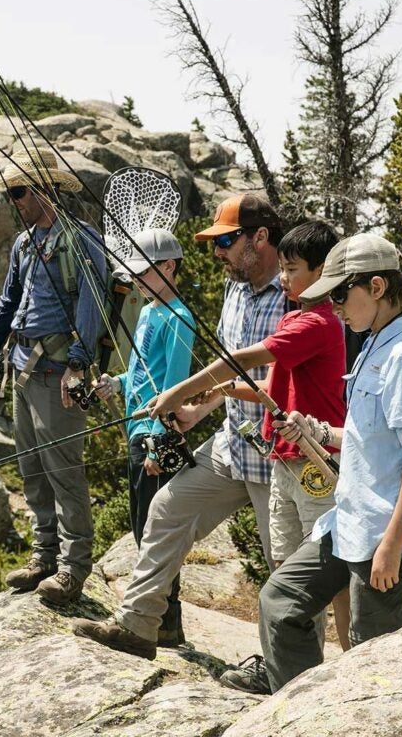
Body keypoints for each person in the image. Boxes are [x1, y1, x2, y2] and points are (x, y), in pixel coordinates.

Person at [73, 192, 285, 659]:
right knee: (165, 512)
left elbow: (279, 385)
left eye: (225, 241)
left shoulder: (294, 297)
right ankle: (139, 625)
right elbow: (225, 368)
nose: (217, 253)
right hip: (232, 446)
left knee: (284, 565)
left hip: (277, 456)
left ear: (260, 238)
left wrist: (187, 399)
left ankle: (283, 670)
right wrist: (198, 409)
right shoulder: (234, 291)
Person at [141, 220, 350, 691]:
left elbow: (247, 358)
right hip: (283, 460)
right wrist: (203, 400)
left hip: (315, 464)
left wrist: (179, 390)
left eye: (293, 270)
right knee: (286, 570)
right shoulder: (294, 319)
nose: (283, 278)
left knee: (328, 571)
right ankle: (291, 673)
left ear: (323, 273)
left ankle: (351, 666)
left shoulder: (318, 323)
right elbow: (266, 387)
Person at [258, 232, 402, 692]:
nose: (335, 306)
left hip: (381, 537)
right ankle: (302, 714)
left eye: (341, 293)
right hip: (346, 524)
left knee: (371, 660)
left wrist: (392, 546)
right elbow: (369, 439)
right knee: (280, 602)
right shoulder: (373, 347)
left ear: (378, 288)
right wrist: (319, 432)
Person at [0, 149, 107, 605]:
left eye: (19, 192)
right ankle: (43, 556)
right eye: (9, 194)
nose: (13, 201)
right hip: (21, 369)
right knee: (31, 468)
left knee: (64, 470)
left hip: (58, 369)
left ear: (45, 189)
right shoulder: (24, 245)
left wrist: (80, 363)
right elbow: (7, 304)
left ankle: (72, 567)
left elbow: (92, 301)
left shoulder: (80, 239)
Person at [95, 228, 196, 646]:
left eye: (145, 271)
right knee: (142, 528)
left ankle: (164, 621)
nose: (136, 280)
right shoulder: (151, 311)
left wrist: (160, 438)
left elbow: (175, 383)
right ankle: (165, 620)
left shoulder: (179, 318)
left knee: (155, 533)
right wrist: (117, 384)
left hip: (154, 436)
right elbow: (142, 372)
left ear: (169, 267)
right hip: (136, 429)